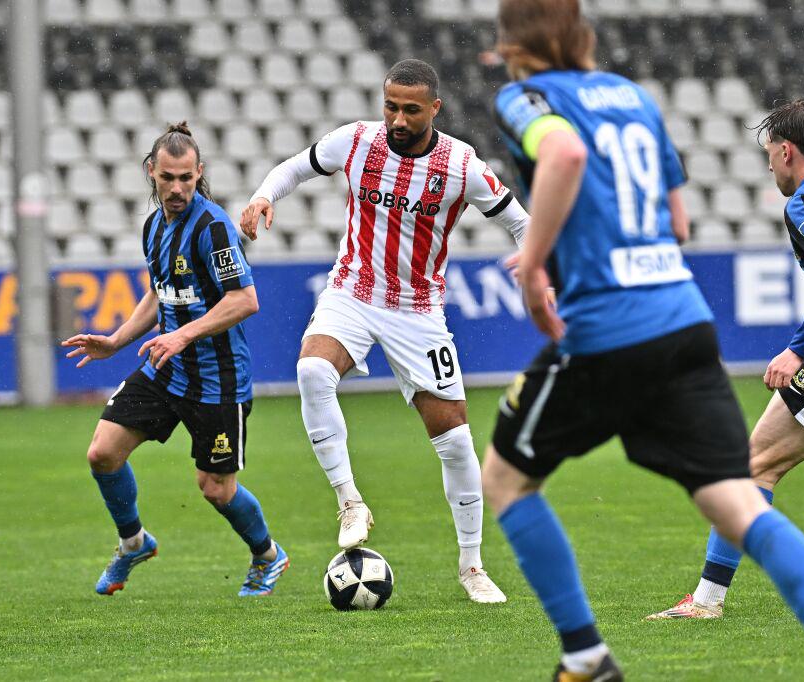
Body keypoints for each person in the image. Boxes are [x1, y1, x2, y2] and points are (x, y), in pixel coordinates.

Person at [480, 2, 804, 680]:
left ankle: (585, 657)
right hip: (684, 320)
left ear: (512, 43)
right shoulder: (632, 96)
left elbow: (563, 151)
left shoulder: (525, 97)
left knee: (504, 480)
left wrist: (534, 260)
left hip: (607, 328)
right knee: (741, 488)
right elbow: (675, 220)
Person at [241, 59, 527, 603]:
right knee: (311, 371)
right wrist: (263, 197)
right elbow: (295, 167)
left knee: (456, 442)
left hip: (418, 311)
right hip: (351, 292)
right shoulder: (355, 142)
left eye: (410, 109)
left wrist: (539, 266)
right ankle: (350, 501)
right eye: (390, 105)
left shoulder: (460, 165)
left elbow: (518, 220)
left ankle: (472, 567)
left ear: (434, 109)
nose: (397, 118)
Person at [63, 123, 288, 597]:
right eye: (168, 178)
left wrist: (183, 334)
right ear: (152, 173)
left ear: (199, 172)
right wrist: (116, 340)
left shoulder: (213, 228)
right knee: (102, 453)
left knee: (215, 489)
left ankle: (268, 555)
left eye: (187, 177)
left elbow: (245, 300)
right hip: (168, 368)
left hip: (218, 378)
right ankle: (133, 542)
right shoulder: (153, 227)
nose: (178, 188)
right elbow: (159, 292)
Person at [648, 99, 804, 620]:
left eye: (771, 157)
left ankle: (708, 601)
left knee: (752, 467)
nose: (771, 167)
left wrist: (798, 350)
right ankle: (707, 600)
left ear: (786, 150)